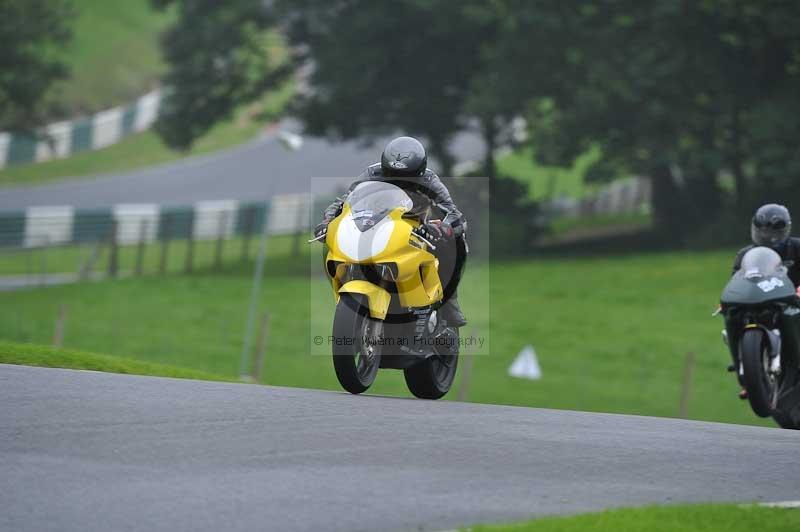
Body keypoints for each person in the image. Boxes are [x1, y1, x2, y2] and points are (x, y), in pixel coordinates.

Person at [314, 136, 468, 328]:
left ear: (419, 171)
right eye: (392, 174)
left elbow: (454, 214)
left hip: (415, 228)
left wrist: (440, 228)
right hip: (377, 224)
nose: (399, 181)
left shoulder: (429, 180)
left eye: (407, 178)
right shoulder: (372, 173)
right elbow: (343, 202)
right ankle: (351, 286)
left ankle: (449, 301)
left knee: (457, 242)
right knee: (334, 244)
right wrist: (328, 222)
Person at [728, 203, 800, 399]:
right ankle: (748, 377)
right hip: (760, 301)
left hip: (793, 301)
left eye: (773, 232)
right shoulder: (746, 254)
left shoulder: (797, 247)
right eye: (763, 231)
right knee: (732, 317)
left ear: (786, 229)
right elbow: (736, 277)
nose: (768, 237)